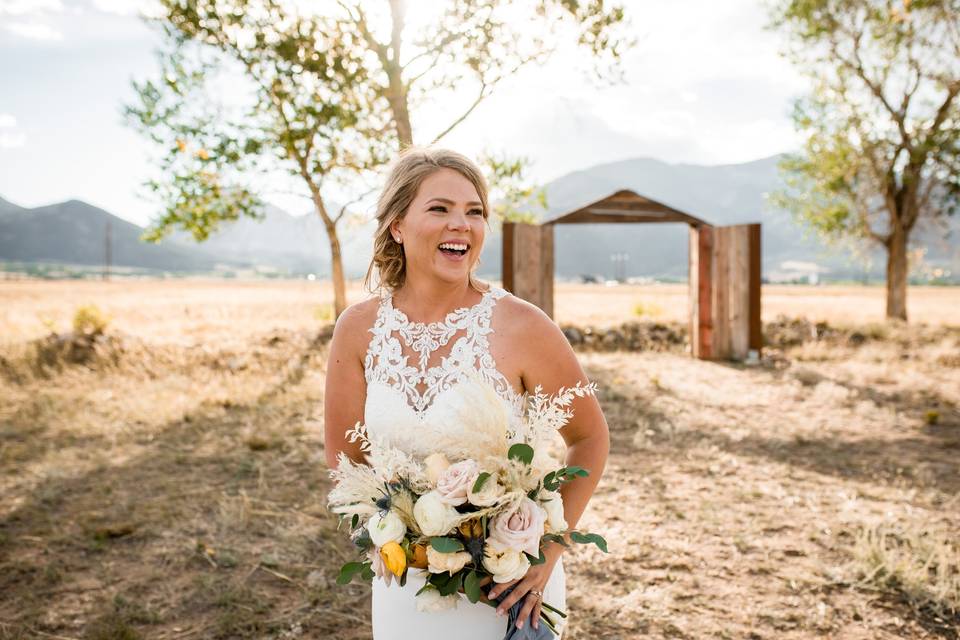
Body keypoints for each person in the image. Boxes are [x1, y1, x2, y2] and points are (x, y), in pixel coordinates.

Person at [324, 147, 610, 639]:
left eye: (474, 212)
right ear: (397, 225)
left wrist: (548, 550)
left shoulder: (523, 326)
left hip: (509, 590)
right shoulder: (358, 328)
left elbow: (590, 438)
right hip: (405, 586)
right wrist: (381, 535)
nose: (462, 224)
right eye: (440, 209)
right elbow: (345, 457)